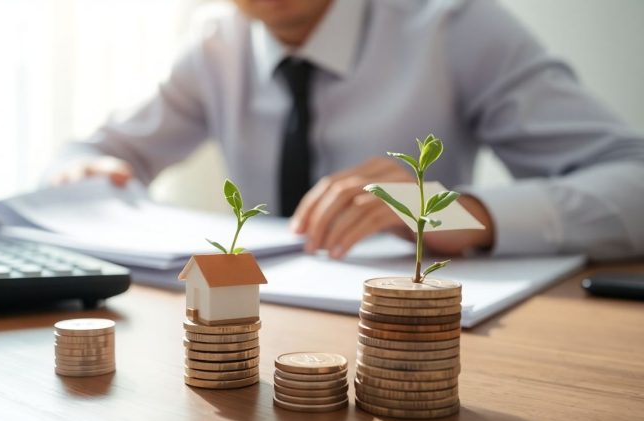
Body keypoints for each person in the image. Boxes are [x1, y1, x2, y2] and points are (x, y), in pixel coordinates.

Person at [50, 0, 644, 261]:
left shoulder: (455, 26)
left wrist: (456, 213)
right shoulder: (214, 46)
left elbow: (634, 183)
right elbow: (93, 151)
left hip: (419, 338)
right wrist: (80, 174)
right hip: (264, 341)